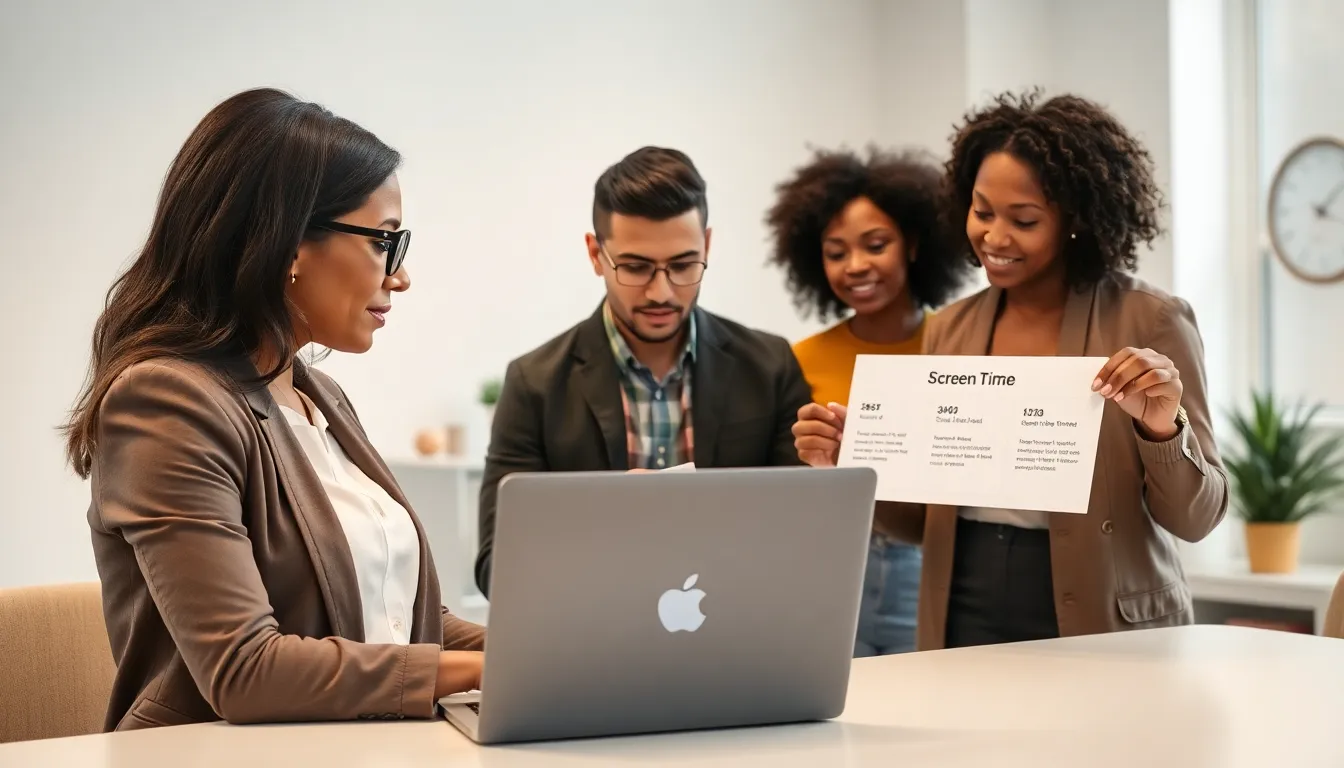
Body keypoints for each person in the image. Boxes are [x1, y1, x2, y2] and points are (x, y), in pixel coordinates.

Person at [61, 88, 485, 731]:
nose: (400, 276)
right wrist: (487, 670)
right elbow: (245, 672)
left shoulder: (320, 397)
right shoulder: (166, 402)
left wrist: (544, 653)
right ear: (287, 244)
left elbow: (397, 618)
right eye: (385, 242)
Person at [793, 90, 1229, 650]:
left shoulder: (1150, 320)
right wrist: (852, 460)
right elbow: (923, 523)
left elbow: (1198, 517)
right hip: (961, 608)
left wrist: (1163, 429)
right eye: (982, 212)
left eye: (1023, 220)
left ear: (1075, 219)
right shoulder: (949, 328)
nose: (994, 238)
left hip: (1101, 614)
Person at [474, 146, 813, 596]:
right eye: (635, 267)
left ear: (707, 246)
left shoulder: (769, 367)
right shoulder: (534, 383)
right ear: (596, 255)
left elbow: (804, 542)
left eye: (683, 265)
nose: (661, 292)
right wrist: (605, 518)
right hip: (594, 639)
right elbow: (496, 567)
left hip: (740, 631)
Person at [765, 147, 970, 656]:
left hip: (931, 559)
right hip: (829, 562)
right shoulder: (801, 358)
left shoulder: (959, 349)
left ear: (914, 244)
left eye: (875, 244)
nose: (856, 266)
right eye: (836, 252)